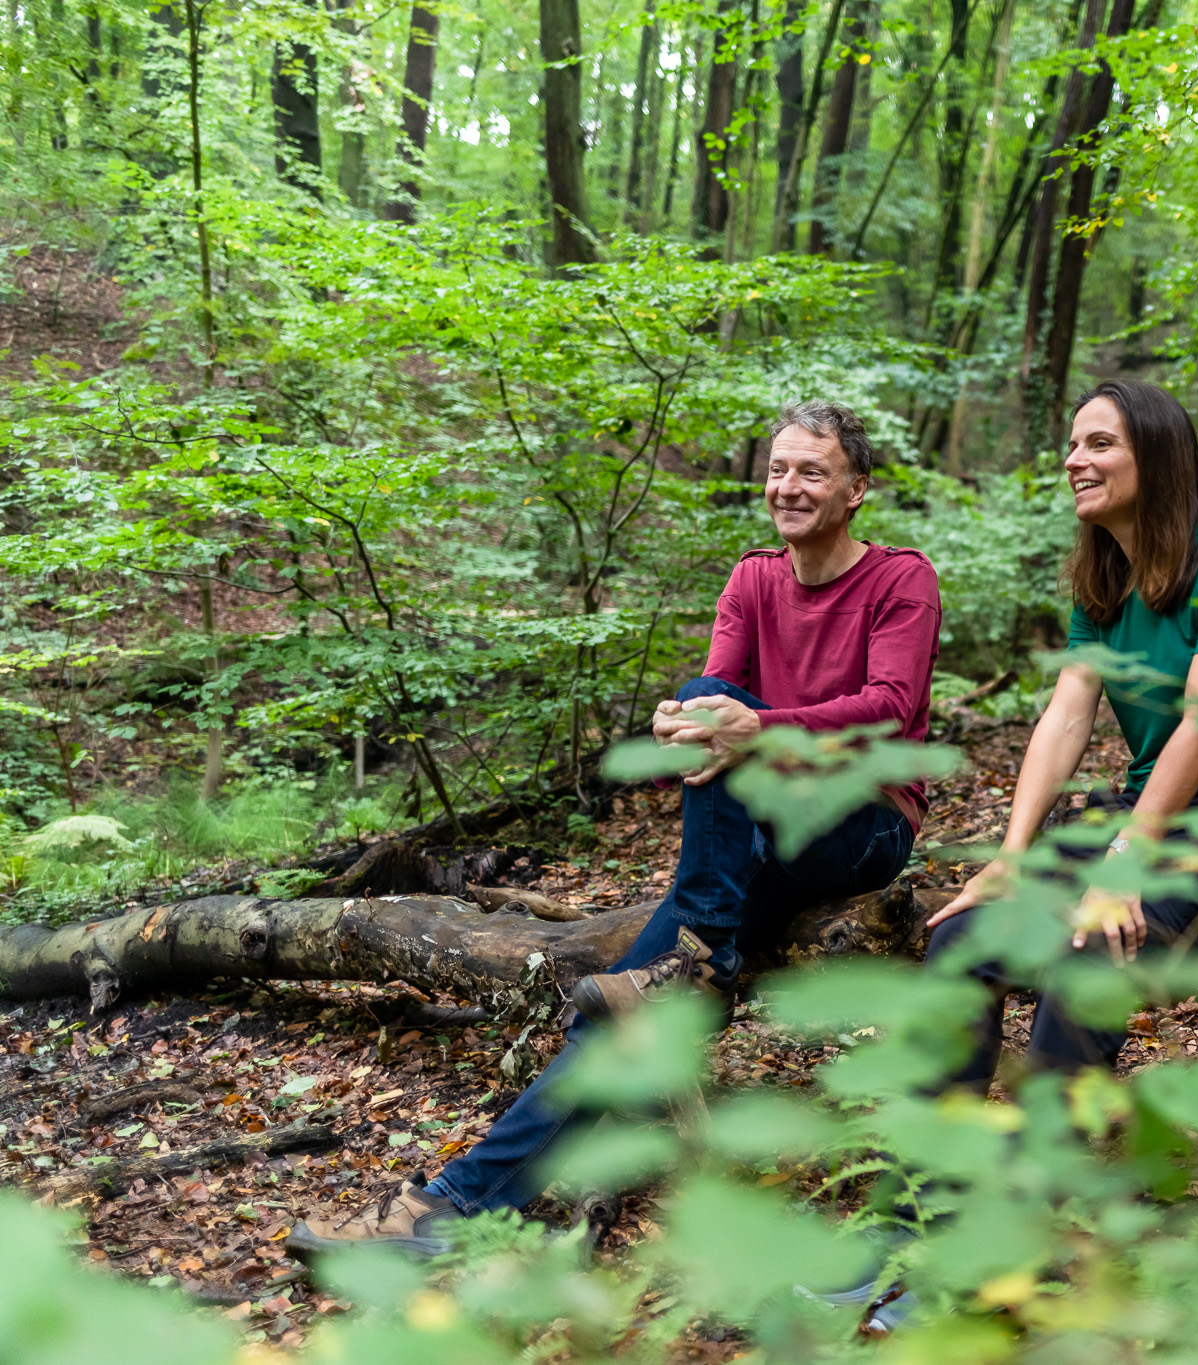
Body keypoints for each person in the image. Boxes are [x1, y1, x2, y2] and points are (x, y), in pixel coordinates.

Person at [286, 400, 942, 1258]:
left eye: (811, 470)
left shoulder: (900, 579)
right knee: (621, 1011)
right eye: (779, 468)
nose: (788, 485)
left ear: (858, 488)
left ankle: (697, 951)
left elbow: (891, 712)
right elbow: (713, 698)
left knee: (730, 720)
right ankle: (458, 1205)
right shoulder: (752, 578)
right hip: (755, 836)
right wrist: (682, 719)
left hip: (861, 826)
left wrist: (752, 726)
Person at [923, 379, 1198, 1093]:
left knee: (1092, 946)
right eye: (1071, 444)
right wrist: (1011, 854)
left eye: (1099, 443)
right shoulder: (1102, 578)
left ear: (1155, 458)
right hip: (1144, 806)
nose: (1073, 460)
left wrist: (1123, 864)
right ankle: (931, 1180)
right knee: (960, 938)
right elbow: (1065, 716)